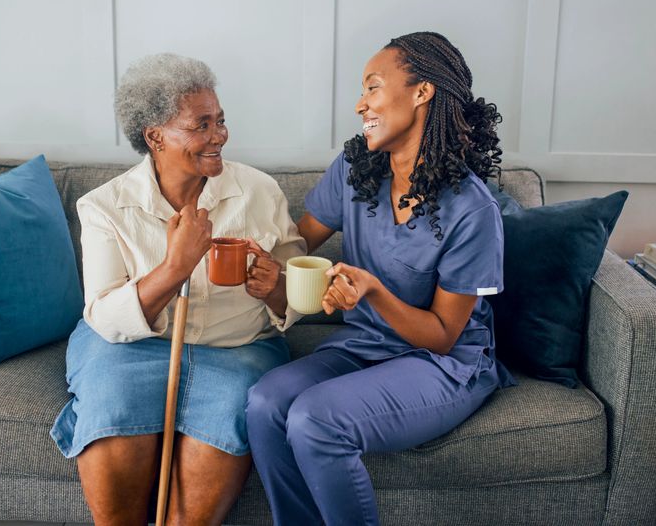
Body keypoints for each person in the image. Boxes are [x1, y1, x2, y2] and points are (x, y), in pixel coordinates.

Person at [246, 31, 517, 525]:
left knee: (316, 420)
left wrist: (372, 289)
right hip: (365, 346)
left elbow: (441, 336)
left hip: (444, 364)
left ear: (421, 92)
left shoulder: (472, 210)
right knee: (266, 403)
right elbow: (296, 248)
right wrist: (266, 271)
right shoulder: (356, 169)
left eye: (372, 87)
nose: (359, 104)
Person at [50, 53, 306, 526]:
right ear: (155, 137)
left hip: (238, 349)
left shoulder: (260, 192)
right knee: (111, 408)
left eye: (221, 121)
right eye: (201, 125)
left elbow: (294, 298)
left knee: (230, 415)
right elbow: (105, 316)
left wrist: (275, 288)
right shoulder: (104, 206)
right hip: (130, 348)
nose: (219, 136)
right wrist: (175, 266)